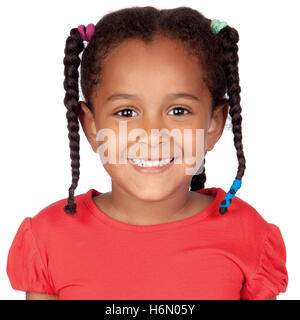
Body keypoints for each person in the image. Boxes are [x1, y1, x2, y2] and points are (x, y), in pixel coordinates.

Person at [6, 6, 288, 300]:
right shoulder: (49, 239)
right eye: (126, 112)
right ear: (90, 127)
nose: (152, 134)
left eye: (179, 111)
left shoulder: (248, 235)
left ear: (214, 126)